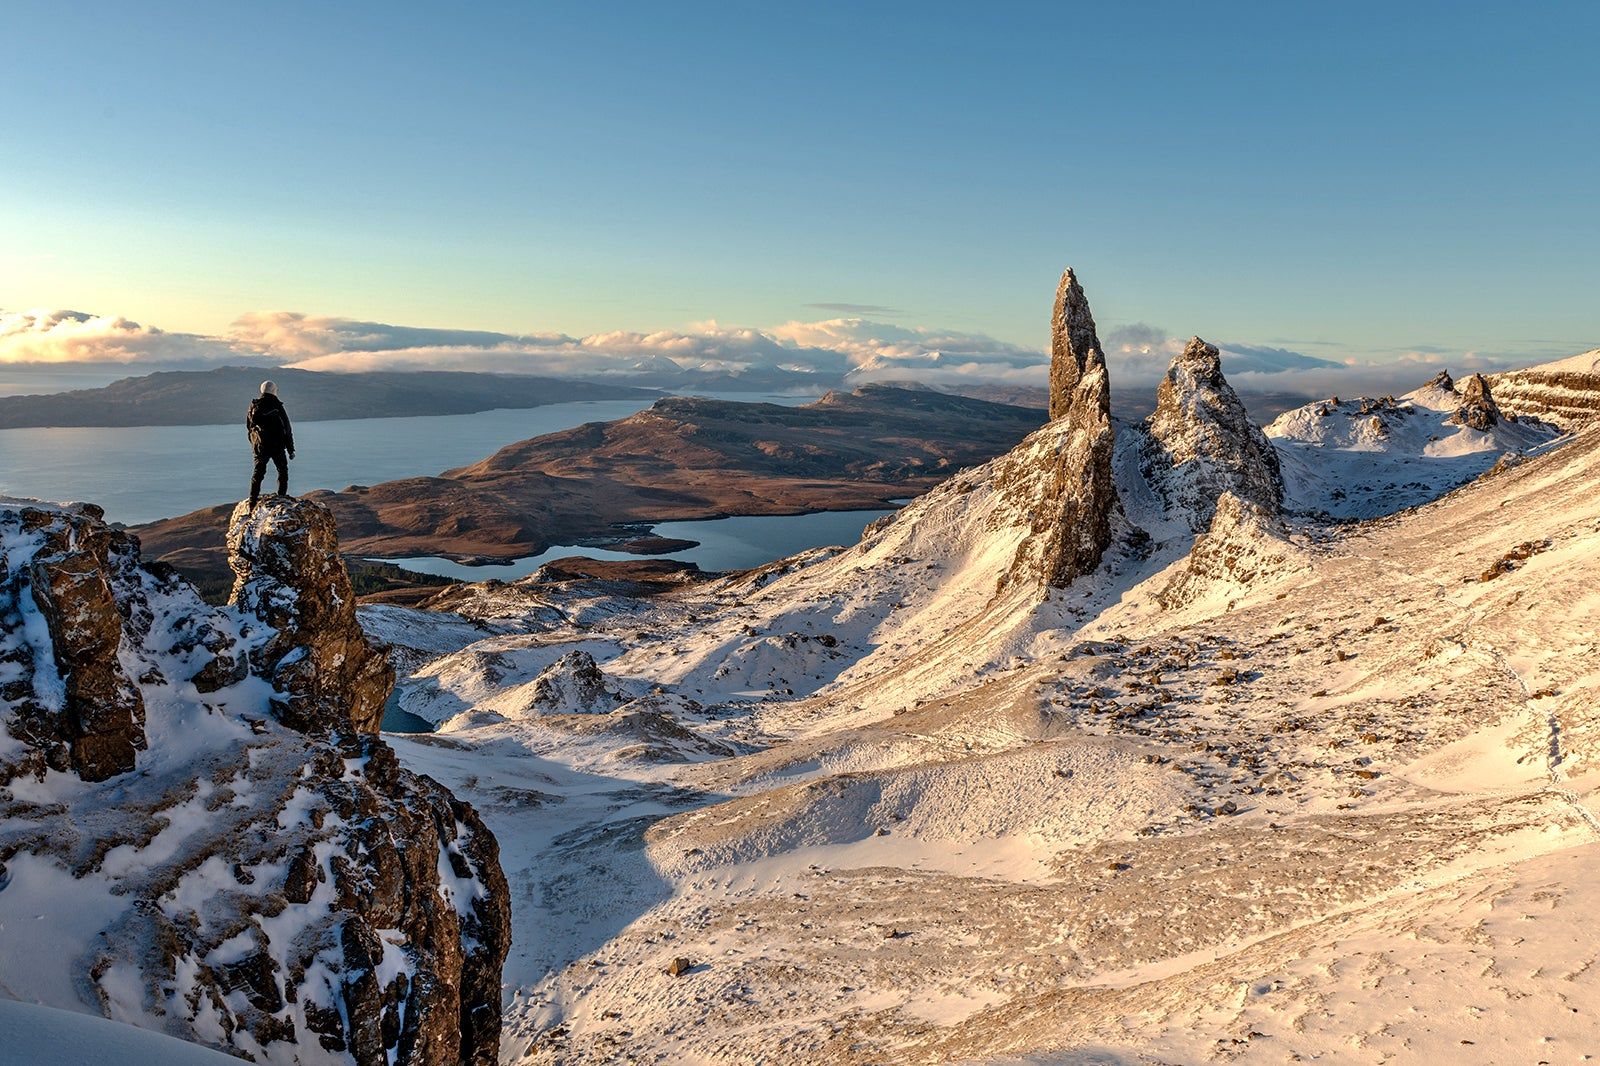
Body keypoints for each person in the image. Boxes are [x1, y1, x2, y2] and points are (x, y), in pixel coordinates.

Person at [246, 380, 295, 510]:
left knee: (258, 473)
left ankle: (252, 502)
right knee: (282, 471)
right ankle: (281, 498)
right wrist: (291, 449)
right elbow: (287, 429)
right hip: (276, 445)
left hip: (260, 446)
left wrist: (254, 444)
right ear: (274, 390)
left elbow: (249, 427)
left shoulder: (254, 406)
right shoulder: (277, 406)